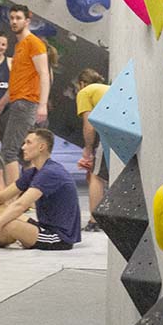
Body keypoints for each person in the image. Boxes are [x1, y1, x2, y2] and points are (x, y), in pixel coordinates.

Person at [0, 127, 80, 251]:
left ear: (41, 147)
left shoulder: (50, 172)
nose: (23, 147)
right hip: (42, 228)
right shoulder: (33, 172)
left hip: (58, 238)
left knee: (9, 224)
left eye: (28, 143)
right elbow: (1, 197)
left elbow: (20, 205)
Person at [0, 6, 48, 184]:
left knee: (9, 152)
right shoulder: (19, 45)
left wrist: (42, 105)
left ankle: (13, 198)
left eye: (18, 18)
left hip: (27, 102)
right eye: (12, 18)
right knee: (26, 154)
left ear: (27, 21)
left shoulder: (34, 43)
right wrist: (0, 105)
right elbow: (16, 81)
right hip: (18, 101)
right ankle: (28, 195)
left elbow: (44, 73)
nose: (14, 21)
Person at [74, 68, 109, 230]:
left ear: (82, 83)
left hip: (110, 132)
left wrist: (88, 150)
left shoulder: (85, 92)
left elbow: (89, 126)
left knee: (95, 176)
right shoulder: (106, 89)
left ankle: (95, 221)